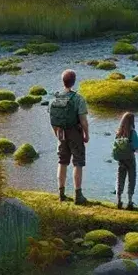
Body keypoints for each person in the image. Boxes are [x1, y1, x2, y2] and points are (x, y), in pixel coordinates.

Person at [49, 69, 89, 205]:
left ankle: (61, 194)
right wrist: (86, 134)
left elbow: (53, 120)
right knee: (78, 162)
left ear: (63, 82)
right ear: (74, 82)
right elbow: (83, 120)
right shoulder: (78, 98)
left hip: (61, 133)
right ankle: (78, 195)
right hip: (75, 133)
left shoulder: (55, 98)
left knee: (62, 161)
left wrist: (57, 134)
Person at [112, 112, 138, 210]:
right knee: (131, 179)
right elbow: (137, 148)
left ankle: (118, 201)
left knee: (120, 179)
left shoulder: (118, 132)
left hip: (121, 160)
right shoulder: (133, 132)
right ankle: (129, 202)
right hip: (130, 159)